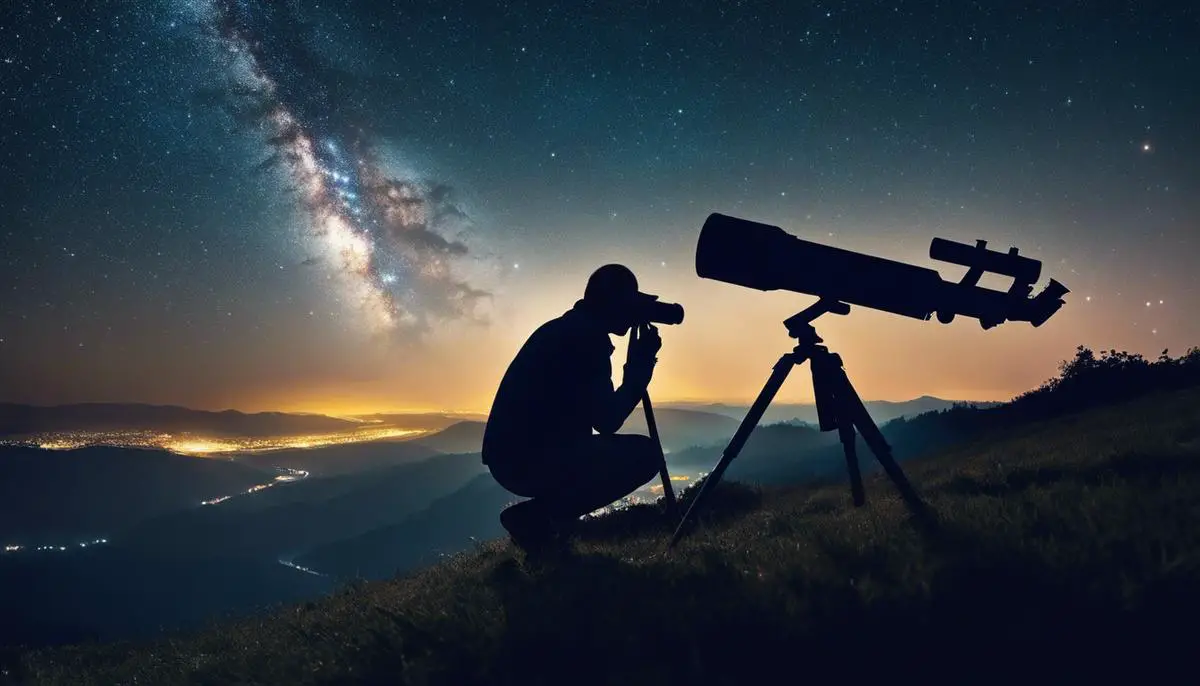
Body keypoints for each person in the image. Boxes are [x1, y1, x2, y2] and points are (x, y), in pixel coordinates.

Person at [482, 263, 666, 554]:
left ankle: (549, 518)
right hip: (527, 460)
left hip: (512, 455)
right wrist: (639, 372)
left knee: (601, 453)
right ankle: (537, 517)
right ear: (614, 305)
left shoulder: (567, 329)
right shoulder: (586, 339)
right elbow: (607, 420)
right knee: (646, 456)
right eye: (628, 305)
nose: (632, 317)